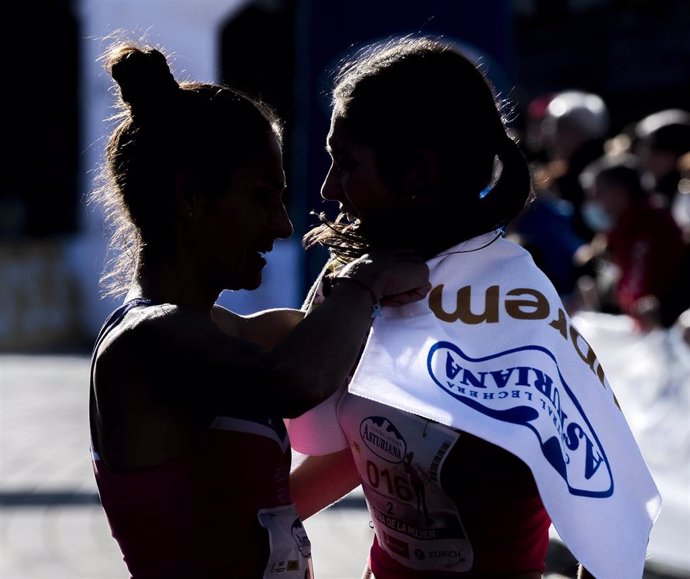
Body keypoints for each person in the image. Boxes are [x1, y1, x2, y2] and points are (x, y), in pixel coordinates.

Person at [286, 35, 660, 579]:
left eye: (345, 164)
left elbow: (596, 497)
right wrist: (252, 530)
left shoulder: (514, 303)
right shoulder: (359, 281)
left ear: (416, 173)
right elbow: (356, 443)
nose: (328, 187)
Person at [87, 39, 430, 579]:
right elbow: (295, 382)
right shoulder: (145, 341)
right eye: (262, 196)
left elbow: (262, 510)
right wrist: (369, 277)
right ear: (189, 196)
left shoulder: (228, 333)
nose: (282, 225)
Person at [575, 153, 687, 331]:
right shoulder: (620, 230)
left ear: (619, 192)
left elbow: (642, 293)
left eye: (596, 194)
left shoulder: (651, 225)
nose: (592, 204)